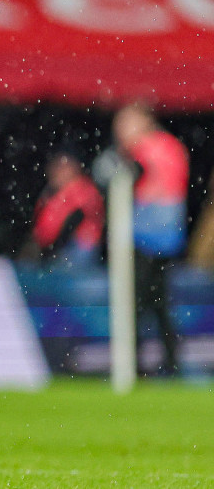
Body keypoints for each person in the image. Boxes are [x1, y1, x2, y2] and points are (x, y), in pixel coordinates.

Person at [113, 103, 188, 376]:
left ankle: (133, 364)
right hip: (168, 238)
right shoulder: (171, 146)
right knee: (158, 303)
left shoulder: (145, 150)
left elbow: (133, 180)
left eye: (125, 123)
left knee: (135, 302)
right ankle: (171, 361)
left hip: (146, 238)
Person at [23, 150, 105, 271]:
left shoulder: (82, 190)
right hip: (52, 249)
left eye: (63, 167)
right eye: (56, 167)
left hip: (75, 248)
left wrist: (49, 251)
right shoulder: (51, 193)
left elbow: (72, 223)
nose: (57, 171)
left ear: (74, 168)